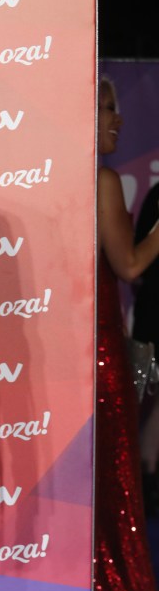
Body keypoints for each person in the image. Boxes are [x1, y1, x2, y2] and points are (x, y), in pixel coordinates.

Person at [94, 76, 159, 591]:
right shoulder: (102, 180)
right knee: (111, 490)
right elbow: (130, 263)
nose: (118, 121)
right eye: (108, 109)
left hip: (70, 355)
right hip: (102, 353)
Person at [132, 182, 159, 515]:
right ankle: (146, 479)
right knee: (149, 399)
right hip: (154, 317)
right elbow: (132, 266)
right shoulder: (156, 197)